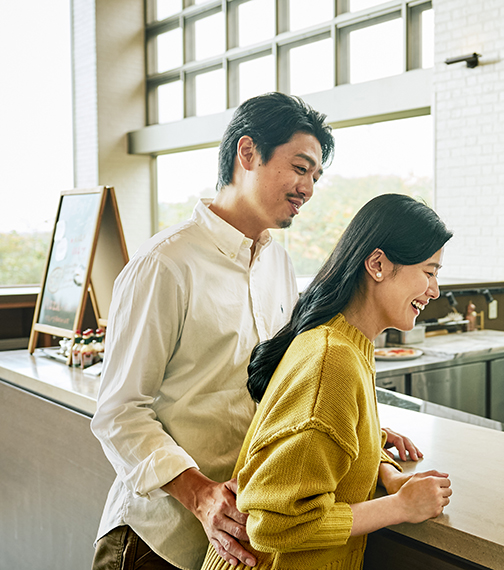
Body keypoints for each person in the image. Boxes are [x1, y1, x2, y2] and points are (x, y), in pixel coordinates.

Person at [91, 93, 417, 570]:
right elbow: (119, 415)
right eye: (300, 167)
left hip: (233, 544)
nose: (308, 188)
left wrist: (357, 431)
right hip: (154, 541)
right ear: (247, 153)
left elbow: (279, 387)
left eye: (316, 177)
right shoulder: (164, 265)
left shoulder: (279, 265)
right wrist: (200, 495)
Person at [200, 194, 453, 570]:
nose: (434, 290)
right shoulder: (332, 360)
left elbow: (323, 450)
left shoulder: (345, 342)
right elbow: (273, 523)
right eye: (429, 272)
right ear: (378, 264)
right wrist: (399, 506)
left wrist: (383, 465)